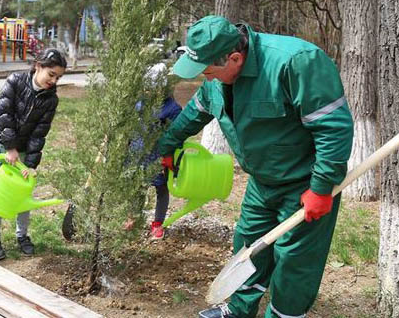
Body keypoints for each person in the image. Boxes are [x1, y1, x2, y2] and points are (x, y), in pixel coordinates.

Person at [155, 16, 354, 318]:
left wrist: (321, 186)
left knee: (294, 261)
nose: (205, 78)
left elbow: (333, 128)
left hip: (304, 183)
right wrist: (167, 147)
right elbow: (194, 113)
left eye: (208, 71)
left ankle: (285, 314)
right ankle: (237, 310)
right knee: (248, 246)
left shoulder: (295, 63)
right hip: (262, 182)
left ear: (234, 58)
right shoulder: (217, 81)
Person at [0, 48, 67, 260]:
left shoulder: (51, 100)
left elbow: (39, 134)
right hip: (4, 143)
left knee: (24, 193)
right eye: (51, 74)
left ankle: (22, 235)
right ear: (38, 66)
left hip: (23, 150)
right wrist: (10, 147)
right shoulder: (15, 81)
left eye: (58, 77)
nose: (54, 80)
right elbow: (3, 115)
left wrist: (30, 164)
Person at [126, 62, 183, 240]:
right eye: (147, 89)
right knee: (136, 187)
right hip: (136, 152)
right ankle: (133, 217)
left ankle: (158, 223)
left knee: (161, 188)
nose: (150, 93)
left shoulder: (172, 108)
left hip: (158, 155)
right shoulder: (139, 103)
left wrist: (169, 155)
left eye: (154, 90)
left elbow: (177, 134)